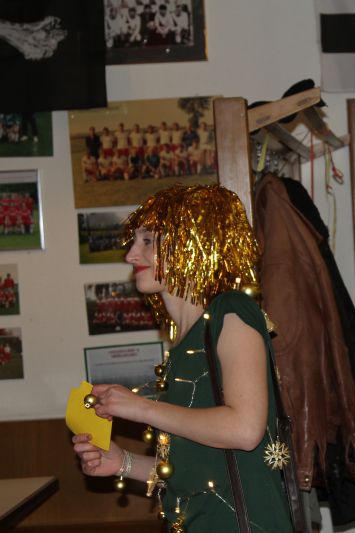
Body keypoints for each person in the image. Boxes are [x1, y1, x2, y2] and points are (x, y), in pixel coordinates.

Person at [72, 185, 293, 532]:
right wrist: (122, 462)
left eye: (148, 241)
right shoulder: (183, 342)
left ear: (193, 243)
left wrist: (141, 408)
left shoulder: (231, 310)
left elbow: (245, 430)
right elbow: (197, 471)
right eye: (135, 242)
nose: (131, 255)